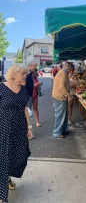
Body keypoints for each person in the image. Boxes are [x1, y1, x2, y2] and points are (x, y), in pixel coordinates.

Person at [0, 64, 32, 203]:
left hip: (20, 128)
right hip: (4, 127)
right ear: (13, 74)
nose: (24, 77)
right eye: (22, 74)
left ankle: (7, 177)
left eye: (25, 74)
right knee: (3, 158)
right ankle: (3, 196)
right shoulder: (1, 88)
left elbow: (25, 109)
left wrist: (29, 127)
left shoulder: (23, 89)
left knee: (20, 155)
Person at [52, 62, 74, 138]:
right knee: (60, 115)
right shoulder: (63, 73)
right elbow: (61, 87)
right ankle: (57, 133)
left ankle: (62, 131)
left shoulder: (62, 72)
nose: (71, 71)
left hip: (60, 96)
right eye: (71, 69)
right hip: (60, 97)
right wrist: (68, 95)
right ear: (69, 68)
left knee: (64, 115)